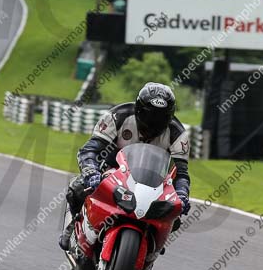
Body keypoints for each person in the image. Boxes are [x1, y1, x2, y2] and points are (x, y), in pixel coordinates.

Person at [58, 82, 191, 251]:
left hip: (153, 181)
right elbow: (89, 150)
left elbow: (181, 174)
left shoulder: (178, 134)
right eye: (150, 115)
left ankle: (152, 248)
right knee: (78, 188)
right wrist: (91, 170)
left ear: (169, 117)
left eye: (160, 117)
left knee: (174, 217)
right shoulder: (117, 117)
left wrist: (182, 194)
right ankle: (73, 223)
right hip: (110, 169)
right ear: (138, 109)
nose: (153, 123)